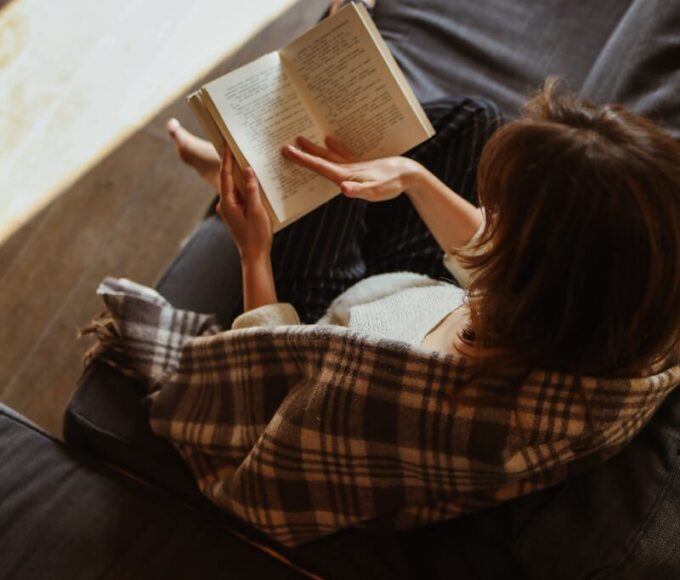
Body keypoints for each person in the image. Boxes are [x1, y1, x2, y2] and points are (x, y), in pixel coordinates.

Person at [102, 78, 680, 548]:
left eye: (497, 218)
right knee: (472, 121)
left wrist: (254, 250)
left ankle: (238, 182)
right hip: (422, 293)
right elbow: (507, 270)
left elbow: (267, 388)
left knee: (305, 183)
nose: (483, 219)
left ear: (526, 279)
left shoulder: (389, 388)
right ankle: (267, 182)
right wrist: (412, 179)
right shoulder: (629, 315)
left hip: (329, 315)